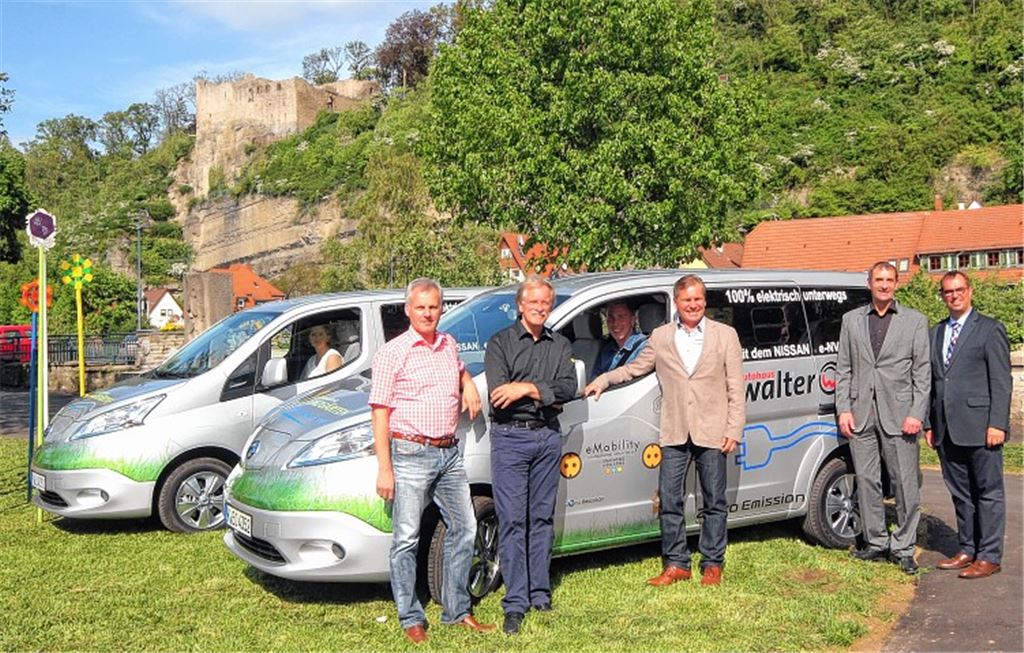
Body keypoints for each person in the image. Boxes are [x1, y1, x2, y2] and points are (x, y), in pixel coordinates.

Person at [585, 274, 744, 587]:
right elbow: (634, 368)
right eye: (687, 300)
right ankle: (676, 563)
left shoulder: (725, 335)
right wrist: (604, 379)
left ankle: (712, 562)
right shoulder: (660, 337)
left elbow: (736, 388)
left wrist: (733, 428)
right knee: (670, 500)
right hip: (674, 430)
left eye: (698, 299)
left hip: (712, 429)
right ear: (677, 303)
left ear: (705, 301)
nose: (693, 305)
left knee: (713, 500)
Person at [370, 278, 495, 644]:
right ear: (408, 310)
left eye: (434, 307)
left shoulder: (448, 344)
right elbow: (379, 413)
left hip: (449, 453)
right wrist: (384, 467)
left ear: (442, 309)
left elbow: (456, 369)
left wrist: (468, 382)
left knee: (465, 528)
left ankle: (456, 611)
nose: (427, 313)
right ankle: (411, 616)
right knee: (406, 539)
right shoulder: (392, 352)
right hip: (410, 453)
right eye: (420, 307)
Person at [484, 274, 576, 635]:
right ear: (520, 304)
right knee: (512, 521)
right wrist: (544, 394)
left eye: (545, 303)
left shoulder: (560, 345)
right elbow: (498, 395)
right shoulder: (500, 344)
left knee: (541, 519)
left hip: (547, 439)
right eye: (533, 302)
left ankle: (540, 592)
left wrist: (526, 387)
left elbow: (569, 388)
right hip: (510, 439)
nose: (540, 308)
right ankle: (515, 602)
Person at [836, 261, 930, 575]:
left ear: (897, 284)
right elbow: (844, 369)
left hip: (901, 416)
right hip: (861, 414)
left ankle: (903, 547)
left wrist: (917, 413)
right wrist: (844, 408)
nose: (884, 285)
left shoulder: (914, 321)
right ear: (869, 283)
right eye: (879, 280)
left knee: (905, 484)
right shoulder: (851, 321)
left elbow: (922, 373)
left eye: (890, 280)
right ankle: (875, 542)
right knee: (866, 481)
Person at [924, 271, 1011, 579]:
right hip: (946, 429)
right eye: (948, 291)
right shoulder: (935, 333)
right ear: (943, 296)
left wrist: (997, 423)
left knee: (988, 493)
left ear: (970, 291)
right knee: (961, 494)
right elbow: (932, 383)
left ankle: (989, 555)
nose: (954, 295)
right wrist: (929, 422)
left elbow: (1001, 381)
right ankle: (967, 549)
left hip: (982, 427)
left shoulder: (989, 329)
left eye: (959, 289)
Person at [591, 300, 648, 378]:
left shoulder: (644, 348)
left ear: (632, 320)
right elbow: (595, 379)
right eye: (611, 317)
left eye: (621, 317)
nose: (615, 323)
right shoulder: (606, 350)